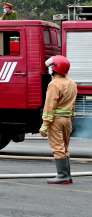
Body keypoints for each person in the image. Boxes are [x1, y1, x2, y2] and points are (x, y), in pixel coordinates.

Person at [42, 56, 76, 184]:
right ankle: (67, 176)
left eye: (50, 67)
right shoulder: (72, 83)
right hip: (67, 120)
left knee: (58, 148)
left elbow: (50, 105)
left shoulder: (54, 84)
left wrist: (45, 125)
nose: (49, 69)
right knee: (64, 147)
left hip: (56, 120)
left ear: (55, 69)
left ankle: (63, 176)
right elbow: (73, 104)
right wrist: (70, 117)